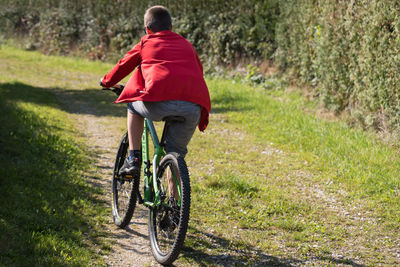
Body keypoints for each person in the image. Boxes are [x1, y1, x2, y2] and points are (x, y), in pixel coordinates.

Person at [100, 5, 211, 176]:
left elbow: (123, 66)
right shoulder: (187, 44)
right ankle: (175, 201)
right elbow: (198, 72)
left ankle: (133, 158)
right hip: (193, 106)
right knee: (176, 155)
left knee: (132, 106)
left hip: (159, 102)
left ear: (147, 30)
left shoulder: (146, 42)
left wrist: (106, 82)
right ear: (171, 28)